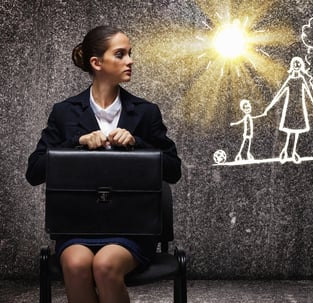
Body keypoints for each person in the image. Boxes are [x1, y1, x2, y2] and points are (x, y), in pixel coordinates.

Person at [25, 25, 181, 303]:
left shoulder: (146, 112)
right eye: (120, 54)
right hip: (78, 227)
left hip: (132, 227)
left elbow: (174, 170)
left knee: (105, 265)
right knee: (75, 264)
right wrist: (77, 142)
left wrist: (138, 143)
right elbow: (34, 172)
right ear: (97, 63)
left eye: (130, 53)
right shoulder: (64, 112)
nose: (130, 60)